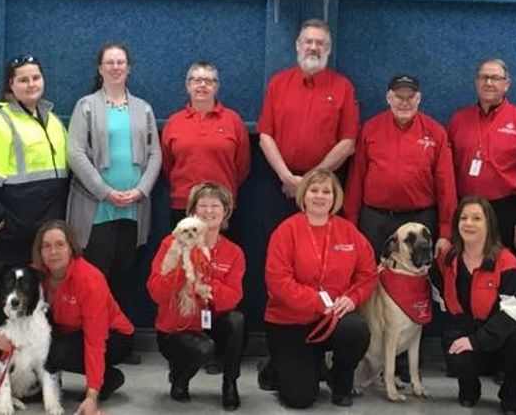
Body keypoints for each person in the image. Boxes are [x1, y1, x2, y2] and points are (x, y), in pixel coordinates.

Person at [262, 170, 376, 409]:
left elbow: (367, 275)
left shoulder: (349, 232)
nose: (320, 196)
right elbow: (278, 282)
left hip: (333, 319)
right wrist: (319, 303)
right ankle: (276, 365)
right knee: (300, 399)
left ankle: (341, 382)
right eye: (314, 190)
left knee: (356, 330)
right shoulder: (286, 231)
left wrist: (353, 299)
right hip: (290, 322)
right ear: (304, 195)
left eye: (327, 192)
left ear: (335, 198)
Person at [67, 42, 161, 307]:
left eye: (120, 62)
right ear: (100, 68)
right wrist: (105, 191)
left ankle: (116, 342)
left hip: (133, 208)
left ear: (128, 68)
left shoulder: (143, 109)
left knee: (122, 279)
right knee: (94, 279)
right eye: (110, 62)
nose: (115, 67)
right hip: (97, 208)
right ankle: (91, 343)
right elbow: (74, 153)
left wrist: (141, 190)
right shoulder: (85, 106)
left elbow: (155, 154)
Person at [0, 55, 68, 296]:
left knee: (40, 295)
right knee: (6, 294)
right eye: (23, 80)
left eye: (36, 77)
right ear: (10, 85)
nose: (31, 84)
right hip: (11, 231)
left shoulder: (53, 120)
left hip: (45, 229)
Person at [146, 182, 246, 409]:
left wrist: (208, 288)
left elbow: (233, 297)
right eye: (203, 206)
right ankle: (180, 377)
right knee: (203, 349)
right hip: (177, 327)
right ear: (192, 212)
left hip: (211, 319)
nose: (209, 211)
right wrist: (184, 272)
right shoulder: (170, 244)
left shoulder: (234, 252)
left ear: (226, 211)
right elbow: (156, 291)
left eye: (215, 206)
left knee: (236, 321)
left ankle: (230, 384)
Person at [20, 220, 134, 415]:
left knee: (54, 351)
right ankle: (48, 385)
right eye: (46, 246)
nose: (53, 252)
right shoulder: (34, 274)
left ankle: (107, 378)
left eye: (60, 244)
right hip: (71, 333)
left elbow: (95, 341)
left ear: (72, 247)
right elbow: (0, 306)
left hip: (114, 336)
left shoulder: (90, 280)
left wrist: (91, 397)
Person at [433, 196, 516, 414]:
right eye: (464, 218)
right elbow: (436, 288)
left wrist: (476, 341)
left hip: (500, 338)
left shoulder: (506, 261)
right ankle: (470, 390)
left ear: (489, 224)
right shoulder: (449, 259)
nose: (469, 223)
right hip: (465, 331)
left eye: (477, 218)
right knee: (455, 351)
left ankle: (511, 394)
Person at [343, 74, 456, 258]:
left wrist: (446, 232)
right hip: (375, 220)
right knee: (372, 275)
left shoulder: (436, 132)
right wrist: (350, 222)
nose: (405, 103)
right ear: (388, 98)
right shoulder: (370, 129)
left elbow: (446, 185)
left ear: (418, 98)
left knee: (418, 281)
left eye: (410, 97)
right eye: (399, 97)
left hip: (420, 220)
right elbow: (356, 178)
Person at [257, 19, 359, 214]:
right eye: (308, 42)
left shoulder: (343, 87)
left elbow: (347, 142)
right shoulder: (278, 83)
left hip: (325, 185)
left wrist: (311, 180)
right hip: (281, 183)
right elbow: (264, 136)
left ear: (328, 49)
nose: (313, 47)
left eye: (320, 43)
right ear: (298, 45)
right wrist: (287, 178)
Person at [446, 58, 516, 260]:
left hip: (507, 211)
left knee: (505, 271)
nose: (489, 83)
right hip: (466, 211)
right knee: (466, 267)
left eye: (495, 78)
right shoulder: (458, 119)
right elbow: (446, 171)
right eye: (484, 77)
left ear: (506, 84)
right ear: (476, 82)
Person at [160, 61, 250, 228]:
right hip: (183, 205)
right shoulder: (174, 122)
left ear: (216, 87)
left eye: (209, 81)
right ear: (187, 85)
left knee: (219, 254)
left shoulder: (233, 120)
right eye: (197, 80)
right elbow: (167, 164)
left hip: (221, 206)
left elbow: (241, 166)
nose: (203, 86)